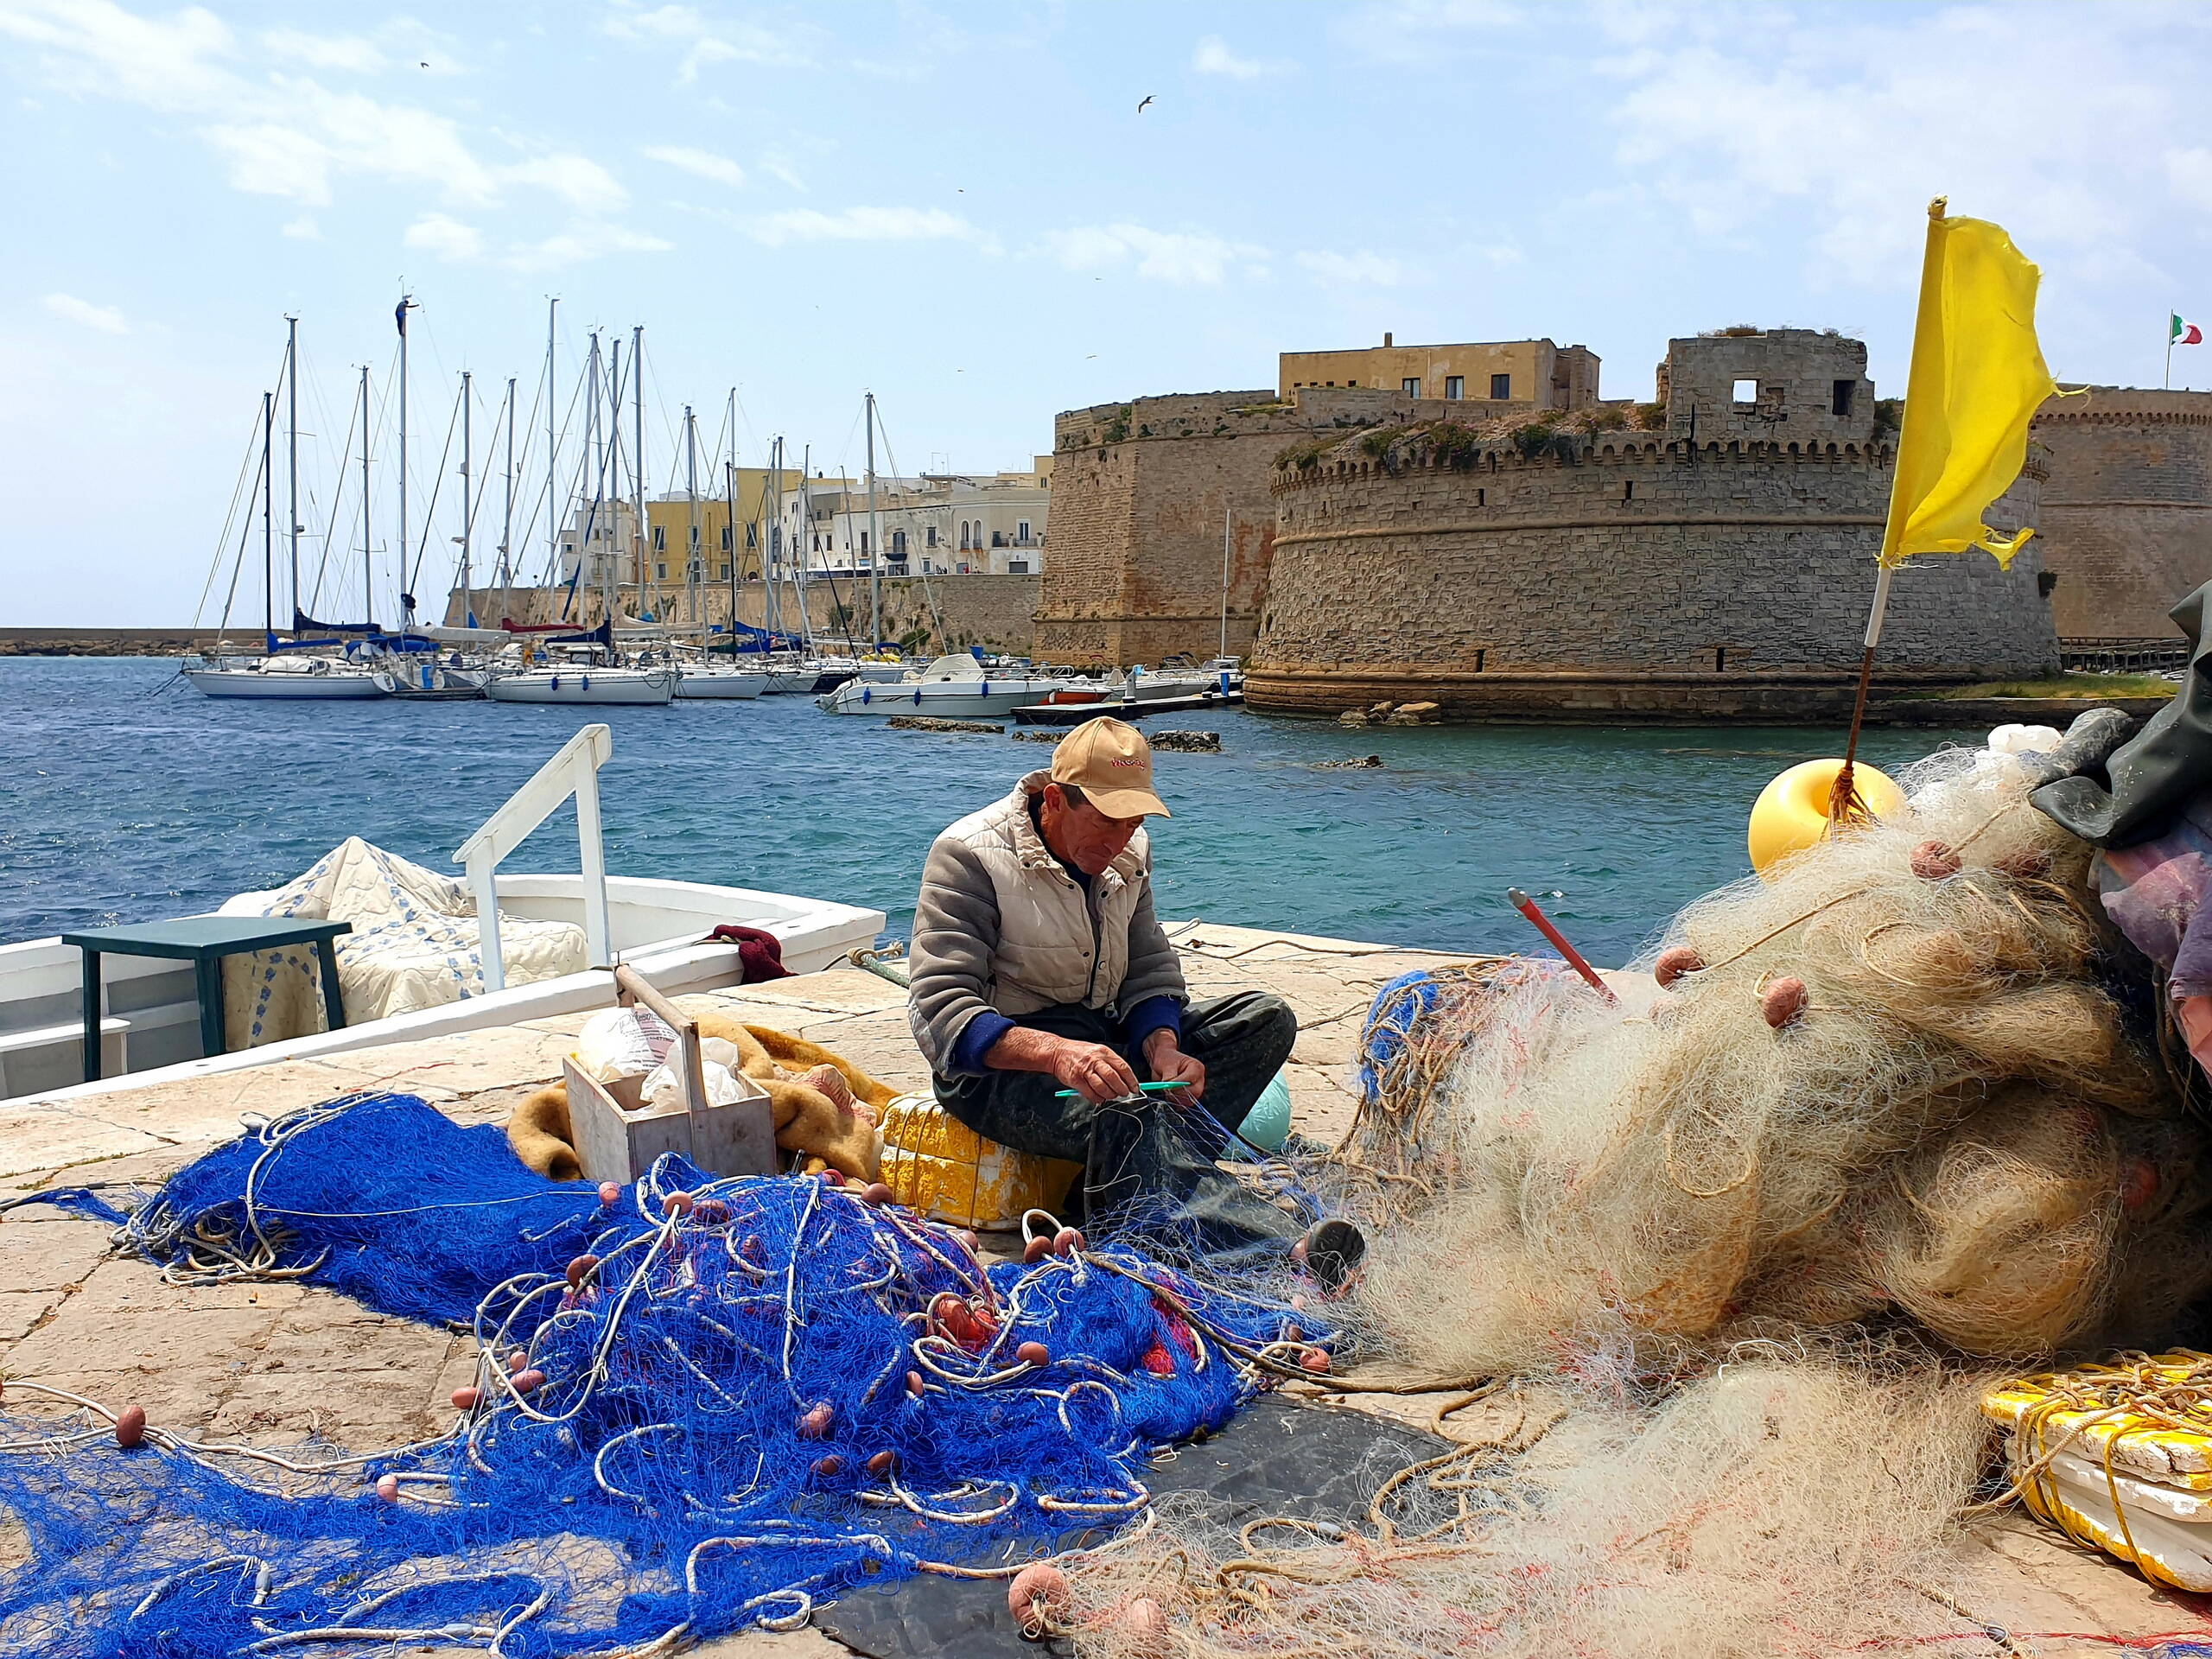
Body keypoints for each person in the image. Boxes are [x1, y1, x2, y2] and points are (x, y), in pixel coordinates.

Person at [906, 716, 1364, 1284]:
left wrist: (1164, 1046)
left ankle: (1136, 1168)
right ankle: (1285, 1252)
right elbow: (941, 1011)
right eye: (1106, 820)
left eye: (1134, 821)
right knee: (1130, 1111)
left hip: (1102, 1041)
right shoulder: (969, 855)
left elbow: (1148, 968)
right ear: (1054, 799)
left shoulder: (1130, 851)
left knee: (1265, 1020)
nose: (1122, 837)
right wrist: (1057, 1054)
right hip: (1005, 1071)